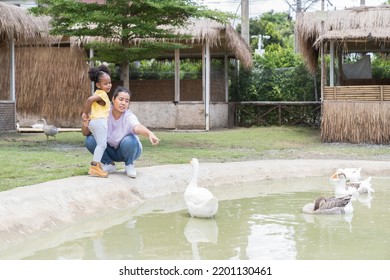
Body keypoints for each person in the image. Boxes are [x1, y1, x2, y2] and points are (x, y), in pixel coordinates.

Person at [82, 86, 160, 178]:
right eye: (121, 99)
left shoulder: (129, 116)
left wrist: (149, 133)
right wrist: (85, 124)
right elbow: (86, 133)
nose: (123, 103)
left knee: (129, 140)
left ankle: (129, 165)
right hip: (110, 149)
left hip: (128, 149)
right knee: (90, 140)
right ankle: (109, 164)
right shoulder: (104, 112)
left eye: (127, 101)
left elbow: (137, 127)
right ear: (113, 99)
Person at [81, 64, 112, 178]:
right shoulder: (102, 94)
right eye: (105, 83)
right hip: (99, 121)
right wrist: (85, 113)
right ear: (98, 84)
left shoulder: (98, 93)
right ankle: (94, 167)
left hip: (94, 122)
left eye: (109, 82)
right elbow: (89, 100)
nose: (108, 85)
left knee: (101, 144)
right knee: (102, 145)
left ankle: (97, 166)